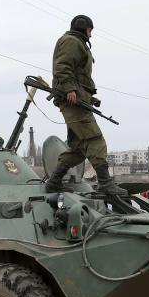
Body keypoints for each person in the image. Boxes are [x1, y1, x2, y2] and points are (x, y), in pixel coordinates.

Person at [44, 15, 126, 196]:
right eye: (90, 30)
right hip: (72, 101)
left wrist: (87, 97)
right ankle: (105, 183)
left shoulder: (76, 42)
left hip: (77, 100)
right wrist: (70, 89)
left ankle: (54, 182)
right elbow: (62, 66)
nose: (91, 34)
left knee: (79, 149)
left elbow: (78, 75)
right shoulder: (72, 41)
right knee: (95, 140)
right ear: (85, 29)